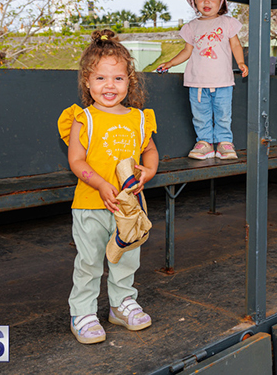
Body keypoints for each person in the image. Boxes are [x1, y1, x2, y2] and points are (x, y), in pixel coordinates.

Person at [58, 29, 159, 344]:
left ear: (130, 81)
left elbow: (150, 151)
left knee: (126, 258)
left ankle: (121, 304)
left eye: (117, 78)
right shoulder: (83, 119)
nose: (109, 85)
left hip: (128, 208)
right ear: (87, 82)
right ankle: (83, 313)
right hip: (91, 204)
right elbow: (77, 161)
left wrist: (149, 171)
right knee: (89, 262)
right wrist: (101, 184)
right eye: (100, 78)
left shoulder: (138, 119)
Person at [156, 0, 248, 160]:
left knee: (223, 113)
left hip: (222, 81)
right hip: (197, 82)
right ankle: (205, 143)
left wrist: (240, 62)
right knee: (200, 114)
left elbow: (235, 45)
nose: (206, 2)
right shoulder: (191, 26)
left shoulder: (227, 23)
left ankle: (224, 143)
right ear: (194, 0)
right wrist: (170, 62)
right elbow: (187, 51)